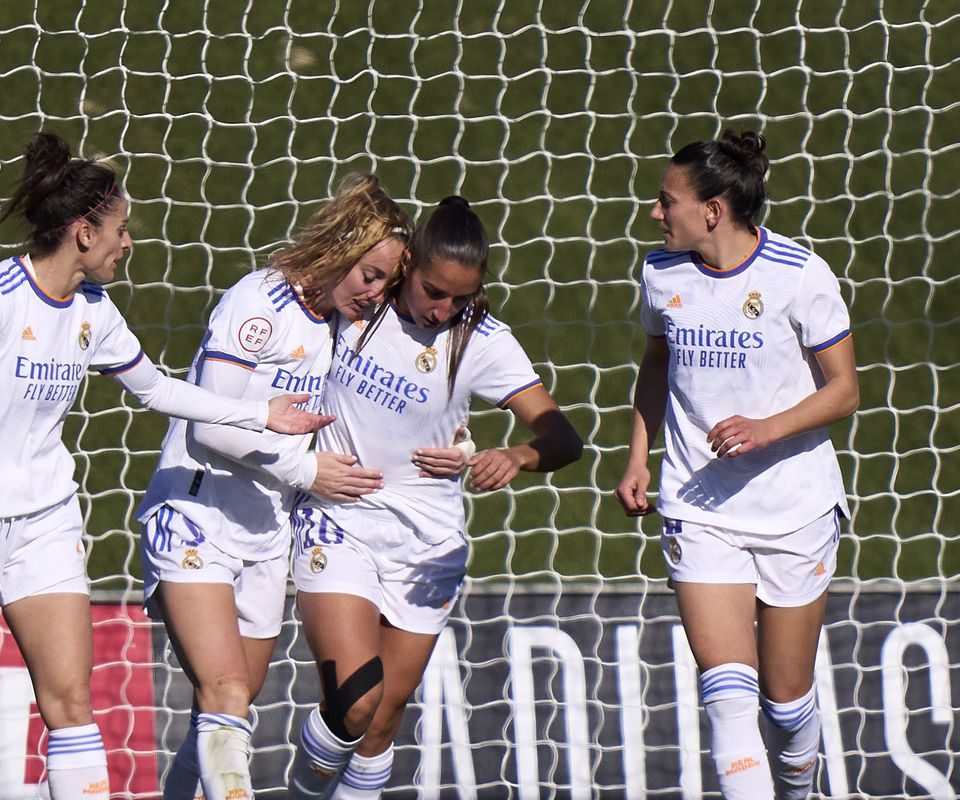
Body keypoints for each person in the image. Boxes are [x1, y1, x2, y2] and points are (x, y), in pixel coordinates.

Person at [0, 131, 330, 800]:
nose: (128, 242)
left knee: (72, 706)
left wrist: (261, 415)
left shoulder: (96, 312)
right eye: (120, 229)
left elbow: (159, 390)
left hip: (45, 518)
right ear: (83, 232)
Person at [285, 196, 584, 799]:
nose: (444, 309)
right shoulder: (358, 302)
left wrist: (515, 455)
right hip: (340, 520)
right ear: (407, 266)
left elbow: (562, 435)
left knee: (379, 727)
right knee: (356, 703)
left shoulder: (481, 340)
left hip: (427, 546)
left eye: (460, 298)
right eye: (432, 290)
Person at [136, 174, 412, 800]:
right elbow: (207, 425)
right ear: (340, 246)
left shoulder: (342, 321)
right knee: (227, 691)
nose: (375, 292)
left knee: (229, 707)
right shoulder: (258, 303)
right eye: (369, 273)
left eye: (386, 281)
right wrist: (305, 470)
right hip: (194, 513)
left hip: (265, 531)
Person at [615, 130, 859, 799]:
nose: (655, 214)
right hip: (699, 507)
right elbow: (658, 362)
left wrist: (766, 428)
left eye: (668, 202)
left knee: (785, 704)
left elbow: (845, 390)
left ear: (713, 211)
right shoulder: (660, 274)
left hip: (794, 508)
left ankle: (801, 789)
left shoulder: (800, 274)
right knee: (726, 697)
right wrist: (639, 456)